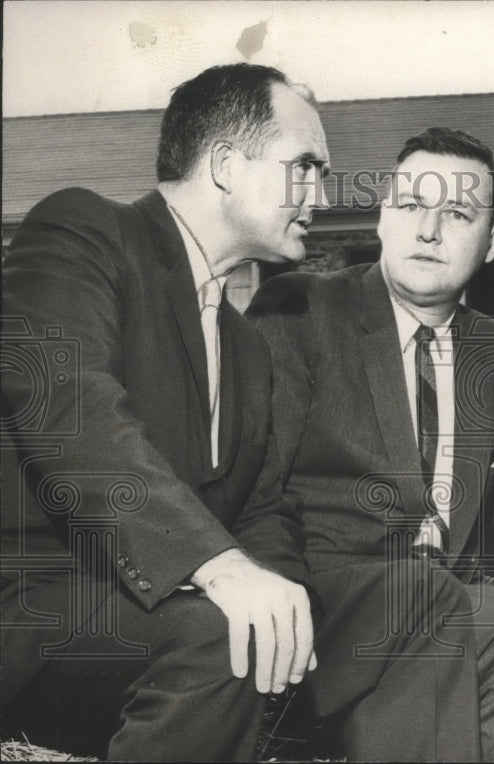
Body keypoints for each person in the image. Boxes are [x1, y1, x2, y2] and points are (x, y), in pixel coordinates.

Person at [1, 63, 329, 761]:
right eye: (303, 166)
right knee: (217, 637)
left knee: (252, 634)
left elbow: (262, 509)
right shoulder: (82, 232)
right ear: (224, 164)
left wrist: (279, 597)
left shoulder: (247, 346)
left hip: (147, 619)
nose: (321, 197)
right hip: (29, 612)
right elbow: (73, 414)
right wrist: (220, 568)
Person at [246, 127, 494, 761]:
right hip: (331, 611)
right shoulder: (298, 310)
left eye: (457, 213)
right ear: (383, 214)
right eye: (411, 206)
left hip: (448, 611)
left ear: (491, 244)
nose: (429, 230)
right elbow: (254, 488)